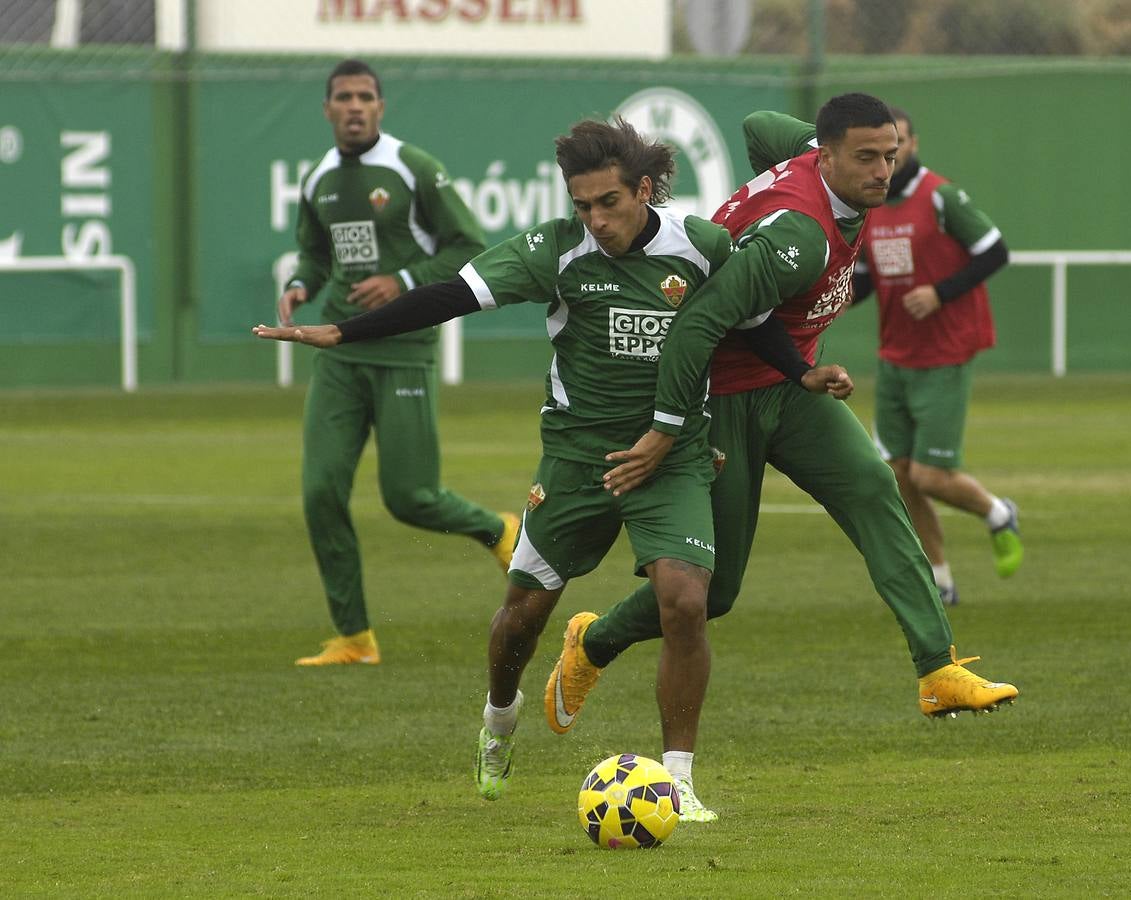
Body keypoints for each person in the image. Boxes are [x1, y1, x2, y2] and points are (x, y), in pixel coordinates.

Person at [255, 117, 842, 818]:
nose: (594, 220)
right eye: (581, 206)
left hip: (674, 456)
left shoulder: (701, 246)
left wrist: (800, 374)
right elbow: (452, 295)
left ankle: (679, 781)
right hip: (575, 460)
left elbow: (749, 321)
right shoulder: (555, 252)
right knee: (521, 618)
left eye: (608, 203)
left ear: (644, 190)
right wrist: (343, 331)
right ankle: (497, 722)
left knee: (685, 604)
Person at [544, 95, 1019, 815]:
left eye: (889, 154)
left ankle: (936, 667)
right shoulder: (798, 237)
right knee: (717, 593)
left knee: (869, 482)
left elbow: (759, 126)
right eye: (864, 157)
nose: (881, 170)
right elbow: (699, 322)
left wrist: (800, 167)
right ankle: (594, 640)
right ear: (826, 156)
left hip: (789, 389)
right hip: (724, 400)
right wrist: (670, 429)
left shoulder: (816, 165)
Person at [279, 58, 518, 667]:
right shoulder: (318, 181)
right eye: (343, 97)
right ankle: (355, 638)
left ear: (380, 107)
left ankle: (498, 530)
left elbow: (469, 246)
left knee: (411, 497)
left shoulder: (413, 169)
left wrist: (404, 278)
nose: (354, 106)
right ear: (328, 109)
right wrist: (302, 285)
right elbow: (314, 254)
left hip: (405, 348)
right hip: (339, 348)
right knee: (319, 492)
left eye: (365, 96)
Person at [851, 106, 1021, 606]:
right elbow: (863, 278)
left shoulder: (941, 197)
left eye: (897, 142)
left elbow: (995, 250)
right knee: (900, 476)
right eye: (878, 148)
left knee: (930, 475)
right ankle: (941, 582)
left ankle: (997, 513)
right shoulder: (870, 204)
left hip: (945, 351)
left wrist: (940, 293)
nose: (889, 155)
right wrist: (820, 305)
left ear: (914, 144)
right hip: (895, 353)